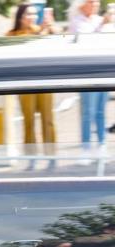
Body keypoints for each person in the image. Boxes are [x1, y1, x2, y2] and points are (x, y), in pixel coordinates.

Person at [7, 3, 57, 170]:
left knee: (48, 121)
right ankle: (31, 158)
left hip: (45, 82)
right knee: (28, 122)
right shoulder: (12, 34)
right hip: (25, 84)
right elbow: (23, 48)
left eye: (35, 14)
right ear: (20, 17)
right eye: (29, 14)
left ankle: (52, 157)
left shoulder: (41, 29)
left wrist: (51, 29)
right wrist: (41, 31)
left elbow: (59, 43)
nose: (33, 17)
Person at [68, 0, 111, 157]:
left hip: (103, 72)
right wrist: (101, 26)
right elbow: (82, 42)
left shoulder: (101, 20)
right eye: (91, 1)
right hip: (86, 73)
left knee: (100, 111)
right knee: (88, 112)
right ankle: (85, 149)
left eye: (96, 1)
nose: (95, 4)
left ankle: (101, 145)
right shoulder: (76, 22)